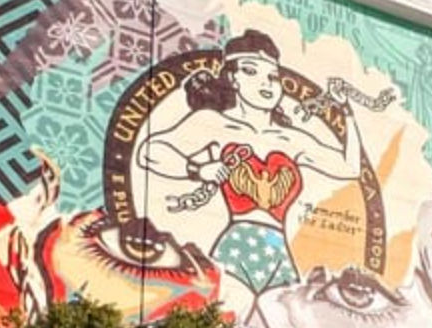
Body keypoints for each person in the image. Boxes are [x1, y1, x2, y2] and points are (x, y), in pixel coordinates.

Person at [137, 30, 363, 313]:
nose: (265, 83)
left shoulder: (291, 139)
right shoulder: (215, 123)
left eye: (272, 76)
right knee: (224, 318)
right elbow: (150, 151)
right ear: (232, 78)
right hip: (237, 246)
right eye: (251, 71)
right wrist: (197, 169)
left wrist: (347, 112)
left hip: (278, 252)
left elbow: (349, 168)